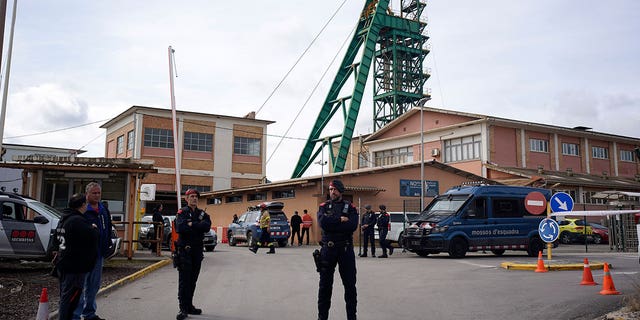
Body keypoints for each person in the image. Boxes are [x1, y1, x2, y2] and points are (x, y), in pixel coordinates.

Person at [316, 179, 358, 320]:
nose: (332, 192)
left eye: (334, 189)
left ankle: (352, 317)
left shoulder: (350, 207)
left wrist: (332, 223)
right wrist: (340, 220)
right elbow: (323, 223)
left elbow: (352, 226)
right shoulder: (324, 206)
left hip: (345, 250)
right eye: (330, 189)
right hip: (328, 250)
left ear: (340, 191)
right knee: (324, 287)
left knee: (350, 286)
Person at [54, 194, 99, 320]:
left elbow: (55, 239)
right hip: (74, 266)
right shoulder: (77, 221)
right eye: (85, 204)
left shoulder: (64, 219)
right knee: (70, 298)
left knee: (65, 296)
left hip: (63, 262)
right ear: (82, 205)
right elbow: (92, 236)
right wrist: (94, 229)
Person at [73, 182, 113, 320]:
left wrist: (108, 245)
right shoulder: (83, 210)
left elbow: (108, 227)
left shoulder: (103, 209)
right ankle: (76, 315)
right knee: (81, 286)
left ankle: (89, 313)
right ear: (87, 194)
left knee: (94, 286)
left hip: (99, 254)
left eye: (99, 193)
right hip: (84, 255)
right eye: (94, 193)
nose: (97, 195)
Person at [175, 189, 212, 320]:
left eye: (196, 197)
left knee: (193, 280)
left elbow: (207, 226)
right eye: (192, 196)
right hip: (185, 251)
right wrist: (197, 226)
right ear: (186, 198)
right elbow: (180, 228)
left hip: (197, 251)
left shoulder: (202, 214)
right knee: (184, 281)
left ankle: (189, 305)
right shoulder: (182, 213)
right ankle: (183, 309)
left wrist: (192, 224)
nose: (194, 198)